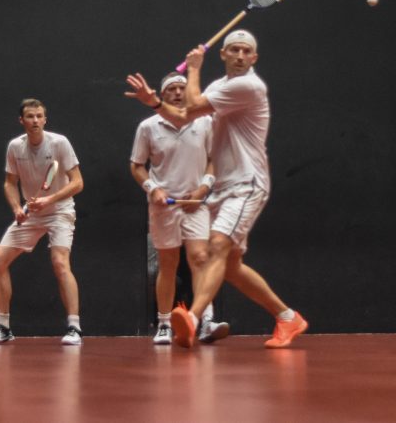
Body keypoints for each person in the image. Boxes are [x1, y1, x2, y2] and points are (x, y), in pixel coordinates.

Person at [125, 29, 308, 349]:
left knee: (216, 247)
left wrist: (193, 67)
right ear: (223, 54)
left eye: (245, 51)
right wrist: (153, 101)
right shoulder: (217, 88)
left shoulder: (250, 85)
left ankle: (194, 320)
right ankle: (287, 317)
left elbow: (192, 103)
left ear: (254, 58)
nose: (239, 55)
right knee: (232, 267)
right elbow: (185, 117)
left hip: (247, 183)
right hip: (224, 188)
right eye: (233, 49)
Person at [130, 73, 230, 345]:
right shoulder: (148, 126)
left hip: (195, 205)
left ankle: (205, 320)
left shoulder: (205, 122)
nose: (177, 92)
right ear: (162, 96)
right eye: (171, 89)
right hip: (164, 207)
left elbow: (214, 160)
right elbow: (137, 165)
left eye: (181, 88)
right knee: (168, 263)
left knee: (199, 258)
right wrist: (154, 189)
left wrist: (202, 189)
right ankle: (164, 323)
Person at [0, 98, 85, 346]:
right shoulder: (15, 147)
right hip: (32, 212)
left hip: (60, 210)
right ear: (22, 120)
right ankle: (3, 326)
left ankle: (74, 328)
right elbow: (10, 182)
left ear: (45, 119)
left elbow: (77, 183)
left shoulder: (59, 143)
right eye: (30, 116)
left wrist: (50, 198)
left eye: (39, 116)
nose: (35, 120)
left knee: (60, 262)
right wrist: (17, 207)